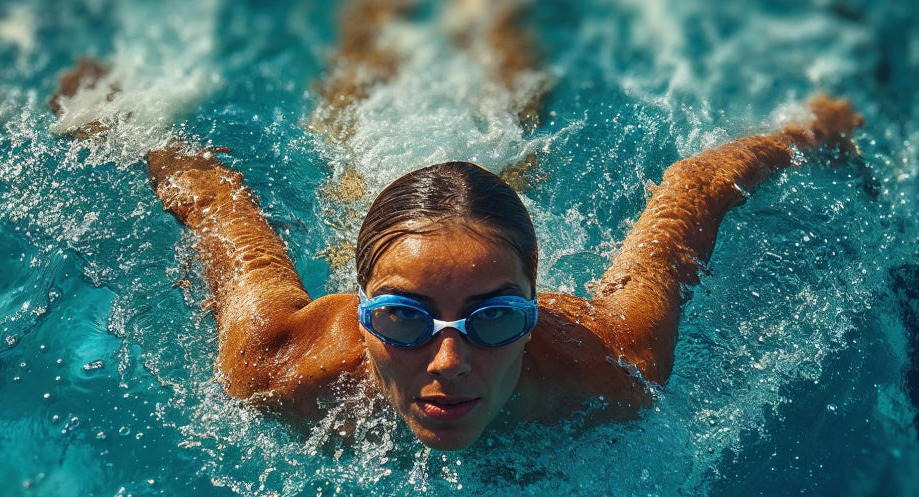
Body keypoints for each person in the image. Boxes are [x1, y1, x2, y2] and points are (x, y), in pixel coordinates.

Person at [49, 5, 863, 451]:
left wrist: (813, 128)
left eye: (495, 317)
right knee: (361, 101)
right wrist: (117, 118)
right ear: (358, 304)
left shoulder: (611, 370)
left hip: (480, 209)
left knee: (503, 73)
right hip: (390, 209)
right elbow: (209, 194)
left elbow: (698, 187)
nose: (449, 361)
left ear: (538, 304)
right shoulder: (278, 362)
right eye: (400, 317)